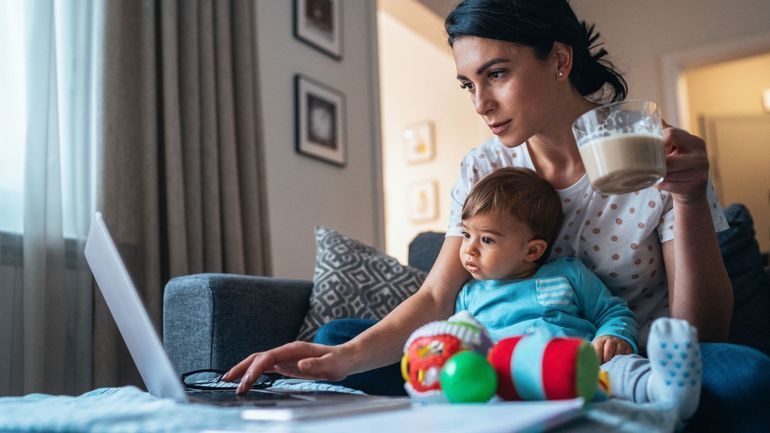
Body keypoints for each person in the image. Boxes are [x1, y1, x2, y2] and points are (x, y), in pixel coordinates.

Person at [224, 0, 770, 430]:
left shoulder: (655, 152)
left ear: (559, 61)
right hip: (502, 357)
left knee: (745, 374)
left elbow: (702, 333)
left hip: (626, 367)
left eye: (497, 74)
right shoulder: (485, 166)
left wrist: (691, 198)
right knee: (343, 335)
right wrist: (338, 358)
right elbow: (438, 299)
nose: (479, 102)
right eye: (468, 83)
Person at [452, 166, 699, 423]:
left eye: (487, 240)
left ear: (532, 251)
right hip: (515, 379)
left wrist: (612, 334)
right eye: (466, 234)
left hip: (583, 367)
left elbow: (612, 311)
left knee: (620, 370)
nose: (469, 249)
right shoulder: (470, 295)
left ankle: (664, 389)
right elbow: (461, 340)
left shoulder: (567, 274)